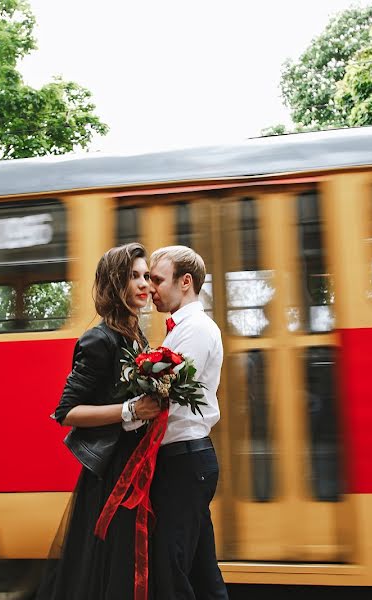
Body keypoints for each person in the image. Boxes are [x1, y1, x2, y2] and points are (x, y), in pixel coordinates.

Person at [38, 242, 162, 600]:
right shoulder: (98, 340)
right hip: (113, 475)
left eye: (146, 276)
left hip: (136, 466)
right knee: (110, 569)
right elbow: (66, 412)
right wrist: (131, 411)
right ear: (114, 284)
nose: (144, 285)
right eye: (133, 277)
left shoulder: (136, 338)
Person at [147, 245, 228, 600]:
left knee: (170, 567)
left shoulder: (194, 329)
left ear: (185, 282)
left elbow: (170, 392)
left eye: (157, 279)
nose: (150, 288)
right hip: (186, 460)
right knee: (200, 571)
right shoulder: (183, 328)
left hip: (183, 460)